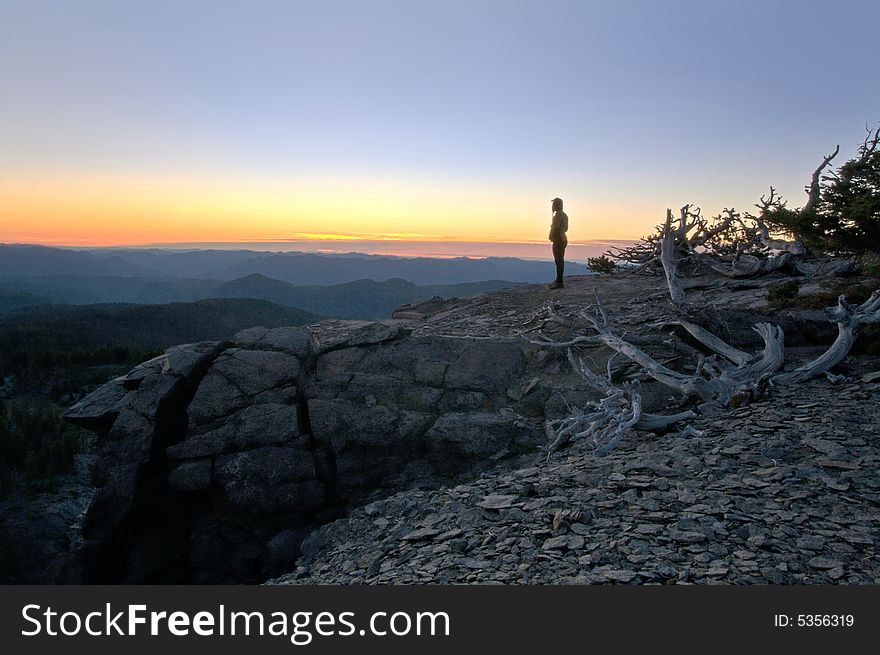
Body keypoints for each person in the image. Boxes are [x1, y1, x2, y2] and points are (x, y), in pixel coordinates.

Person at [548, 197, 568, 289]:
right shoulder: (564, 215)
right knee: (560, 260)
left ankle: (559, 282)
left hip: (558, 240)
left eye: (553, 204)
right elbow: (566, 229)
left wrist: (551, 237)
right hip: (563, 239)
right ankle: (558, 280)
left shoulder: (557, 216)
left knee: (558, 261)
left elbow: (555, 228)